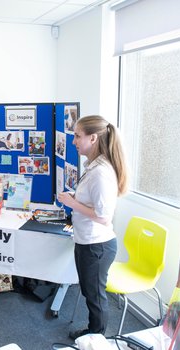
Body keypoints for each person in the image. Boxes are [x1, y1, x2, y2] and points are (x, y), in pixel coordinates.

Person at [58, 115, 128, 340]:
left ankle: (96, 338)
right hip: (87, 241)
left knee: (95, 297)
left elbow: (104, 217)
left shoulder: (101, 172)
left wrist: (72, 203)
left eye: (78, 136)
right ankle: (93, 333)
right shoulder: (93, 166)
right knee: (90, 293)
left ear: (93, 138)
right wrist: (75, 200)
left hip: (96, 245)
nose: (73, 141)